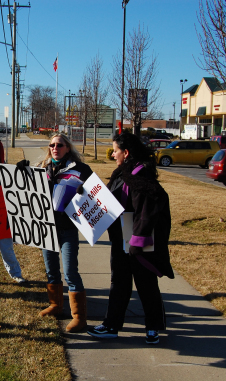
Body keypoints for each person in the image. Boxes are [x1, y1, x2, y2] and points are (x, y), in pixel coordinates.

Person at [87, 132, 174, 345]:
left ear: (126, 153)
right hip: (120, 237)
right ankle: (111, 325)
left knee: (146, 283)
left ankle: (153, 328)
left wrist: (139, 238)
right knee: (119, 282)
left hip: (137, 239)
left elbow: (147, 208)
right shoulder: (122, 172)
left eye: (115, 150)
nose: (113, 154)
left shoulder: (140, 174)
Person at [23, 133, 93, 333]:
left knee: (70, 270)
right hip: (47, 229)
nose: (55, 148)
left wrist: (83, 191)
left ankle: (79, 317)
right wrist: (22, 173)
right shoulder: (43, 169)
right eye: (52, 145)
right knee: (51, 270)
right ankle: (56, 305)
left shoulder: (81, 169)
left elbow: (97, 193)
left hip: (69, 228)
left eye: (59, 145)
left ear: (68, 147)